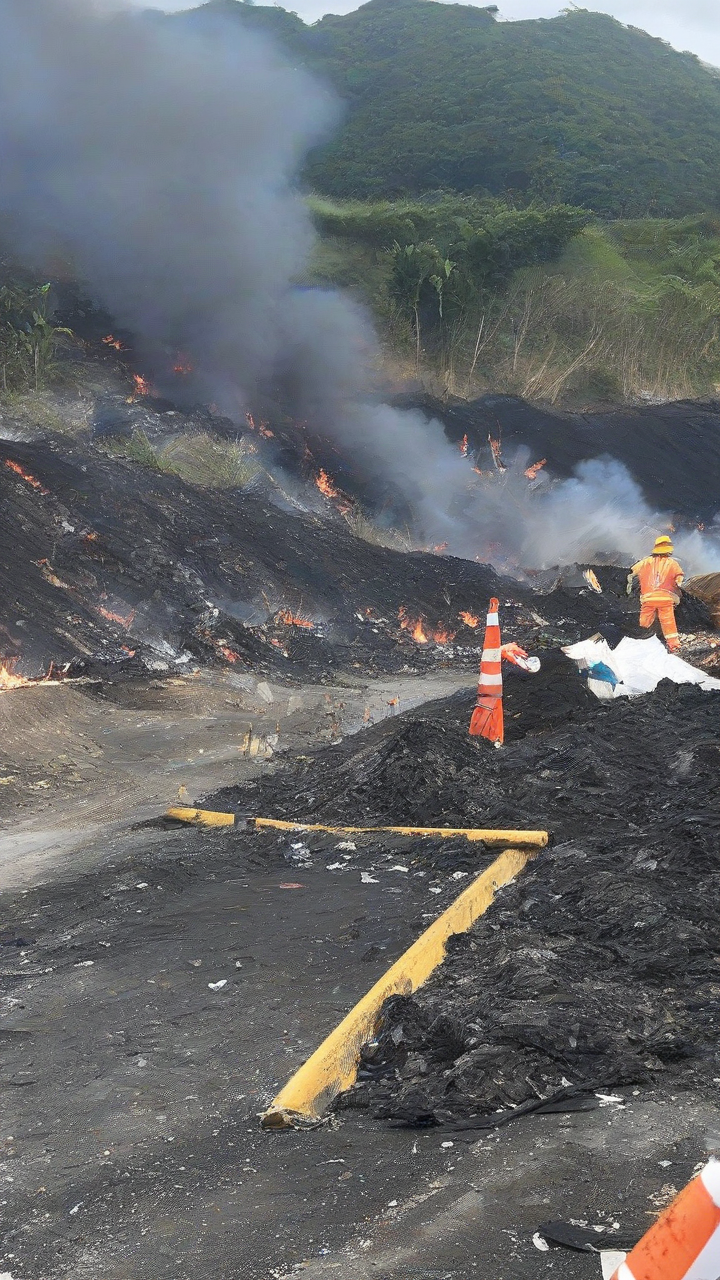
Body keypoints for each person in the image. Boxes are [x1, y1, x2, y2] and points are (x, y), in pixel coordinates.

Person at [627, 535, 684, 652]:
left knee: (644, 619)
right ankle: (674, 646)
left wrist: (628, 586)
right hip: (666, 598)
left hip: (648, 598)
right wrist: (678, 585)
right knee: (668, 621)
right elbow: (679, 577)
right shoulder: (672, 563)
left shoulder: (645, 562)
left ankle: (642, 638)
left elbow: (631, 572)